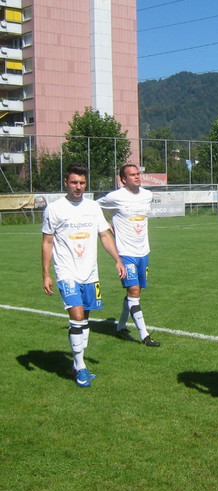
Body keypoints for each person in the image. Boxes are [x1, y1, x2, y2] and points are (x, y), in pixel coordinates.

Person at [42, 164, 126, 387]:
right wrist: (46, 274)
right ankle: (80, 367)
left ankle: (76, 365)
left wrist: (117, 259)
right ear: (66, 183)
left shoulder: (92, 207)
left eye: (81, 183)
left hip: (90, 272)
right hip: (66, 271)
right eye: (73, 182)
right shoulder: (55, 209)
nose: (78, 187)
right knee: (77, 316)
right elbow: (47, 242)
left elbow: (105, 236)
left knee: (85, 319)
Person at [96, 164, 160, 346]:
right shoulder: (115, 197)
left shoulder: (147, 195)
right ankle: (144, 336)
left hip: (143, 252)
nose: (137, 177)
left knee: (134, 292)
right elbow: (93, 207)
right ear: (123, 180)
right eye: (132, 175)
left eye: (138, 174)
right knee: (134, 292)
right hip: (125, 253)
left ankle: (120, 328)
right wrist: (105, 224)